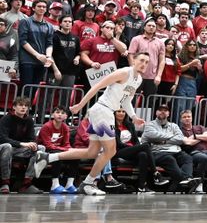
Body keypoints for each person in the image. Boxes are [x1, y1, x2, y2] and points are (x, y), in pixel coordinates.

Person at [63, 54, 149, 195]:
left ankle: (49, 157)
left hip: (107, 112)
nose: (144, 64)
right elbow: (97, 86)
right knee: (110, 150)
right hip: (102, 110)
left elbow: (126, 100)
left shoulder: (138, 79)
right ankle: (89, 183)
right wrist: (80, 105)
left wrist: (134, 117)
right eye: (141, 60)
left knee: (93, 152)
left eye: (147, 62)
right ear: (134, 60)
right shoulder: (123, 72)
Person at [141, 104, 202, 194]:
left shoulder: (174, 125)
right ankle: (186, 179)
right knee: (169, 159)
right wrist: (172, 137)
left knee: (187, 158)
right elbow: (153, 135)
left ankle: (184, 182)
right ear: (156, 112)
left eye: (165, 110)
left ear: (168, 113)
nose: (162, 112)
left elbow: (180, 138)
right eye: (160, 110)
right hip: (158, 152)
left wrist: (163, 141)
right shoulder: (150, 125)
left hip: (175, 151)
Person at [112, 108, 169, 193]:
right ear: (114, 113)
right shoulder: (112, 125)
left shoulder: (129, 125)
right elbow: (118, 143)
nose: (121, 113)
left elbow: (136, 141)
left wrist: (136, 148)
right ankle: (156, 174)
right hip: (120, 151)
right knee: (145, 146)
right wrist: (133, 148)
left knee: (143, 155)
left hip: (132, 151)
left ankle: (141, 186)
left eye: (123, 111)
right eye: (119, 111)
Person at [0, 97, 49, 193]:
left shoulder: (29, 120)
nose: (23, 108)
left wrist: (33, 144)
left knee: (40, 148)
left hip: (18, 149)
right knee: (7, 146)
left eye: (26, 106)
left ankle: (26, 184)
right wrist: (22, 144)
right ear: (14, 107)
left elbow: (31, 138)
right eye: (20, 105)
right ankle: (4, 183)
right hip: (3, 148)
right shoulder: (6, 119)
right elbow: (2, 139)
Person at [36, 106, 80, 193]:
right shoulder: (46, 126)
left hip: (59, 149)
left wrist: (70, 150)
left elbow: (67, 144)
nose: (60, 115)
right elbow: (48, 145)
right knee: (57, 155)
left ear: (66, 116)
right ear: (52, 115)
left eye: (63, 113)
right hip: (45, 151)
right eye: (57, 112)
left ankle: (69, 184)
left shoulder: (65, 127)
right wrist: (64, 149)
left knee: (75, 156)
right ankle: (54, 185)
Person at [17, 0, 54, 88]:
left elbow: (49, 43)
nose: (42, 8)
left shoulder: (49, 26)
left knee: (35, 88)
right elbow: (23, 41)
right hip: (27, 60)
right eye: (39, 6)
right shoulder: (25, 22)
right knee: (26, 87)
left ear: (46, 9)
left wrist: (48, 57)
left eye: (44, 7)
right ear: (33, 8)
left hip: (41, 61)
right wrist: (37, 55)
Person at [127, 19, 165, 99]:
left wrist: (159, 75)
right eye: (149, 25)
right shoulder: (136, 39)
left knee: (150, 103)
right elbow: (130, 55)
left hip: (152, 77)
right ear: (144, 27)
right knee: (132, 100)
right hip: (137, 75)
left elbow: (162, 60)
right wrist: (133, 71)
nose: (151, 27)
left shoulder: (160, 42)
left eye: (153, 26)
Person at [51, 15, 80, 89]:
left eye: (70, 22)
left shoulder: (76, 38)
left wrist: (77, 58)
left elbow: (78, 53)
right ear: (60, 23)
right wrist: (55, 70)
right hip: (54, 70)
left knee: (66, 95)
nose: (68, 23)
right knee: (49, 94)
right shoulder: (54, 36)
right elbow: (49, 54)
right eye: (65, 21)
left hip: (70, 72)